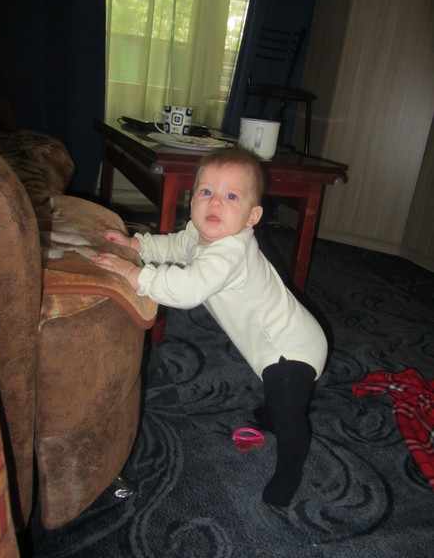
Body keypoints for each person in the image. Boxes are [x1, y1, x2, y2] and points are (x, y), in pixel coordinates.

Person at [91, 147, 328, 507]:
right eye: (206, 191)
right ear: (193, 200)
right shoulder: (203, 235)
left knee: (288, 413)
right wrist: (138, 244)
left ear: (252, 217)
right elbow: (178, 245)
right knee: (274, 392)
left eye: (231, 196)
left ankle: (289, 473)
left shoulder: (229, 252)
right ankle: (271, 412)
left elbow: (186, 290)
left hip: (291, 348)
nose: (215, 202)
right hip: (273, 339)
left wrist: (135, 274)